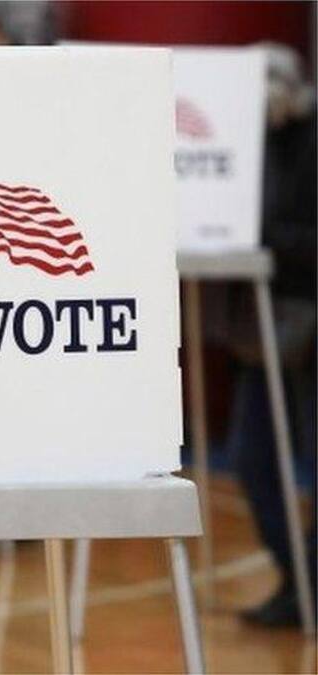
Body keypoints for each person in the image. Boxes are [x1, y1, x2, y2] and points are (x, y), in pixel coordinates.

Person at [227, 42, 317, 629]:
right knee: (251, 459)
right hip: (266, 328)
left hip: (309, 323)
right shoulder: (244, 147)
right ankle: (299, 580)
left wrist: (264, 241)